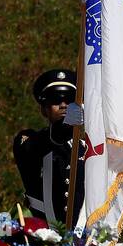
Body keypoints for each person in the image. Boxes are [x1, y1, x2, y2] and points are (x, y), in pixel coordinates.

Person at [13, 69, 87, 225]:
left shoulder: (87, 148)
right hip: (43, 236)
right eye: (55, 100)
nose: (63, 105)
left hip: (84, 240)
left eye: (70, 100)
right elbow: (51, 140)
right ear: (44, 109)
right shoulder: (29, 141)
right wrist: (68, 124)